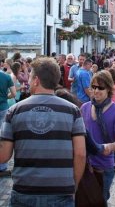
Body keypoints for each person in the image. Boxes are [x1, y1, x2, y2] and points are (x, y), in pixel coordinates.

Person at [0, 57, 86, 206]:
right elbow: (80, 154)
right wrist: (74, 186)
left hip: (25, 190)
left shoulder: (15, 110)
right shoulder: (73, 111)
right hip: (61, 191)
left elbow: (3, 155)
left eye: (31, 76)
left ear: (36, 80)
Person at [80, 70, 115, 204]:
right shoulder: (84, 108)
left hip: (104, 167)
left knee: (100, 201)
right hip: (85, 164)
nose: (96, 91)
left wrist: (109, 146)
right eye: (93, 87)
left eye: (100, 87)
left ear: (109, 89)